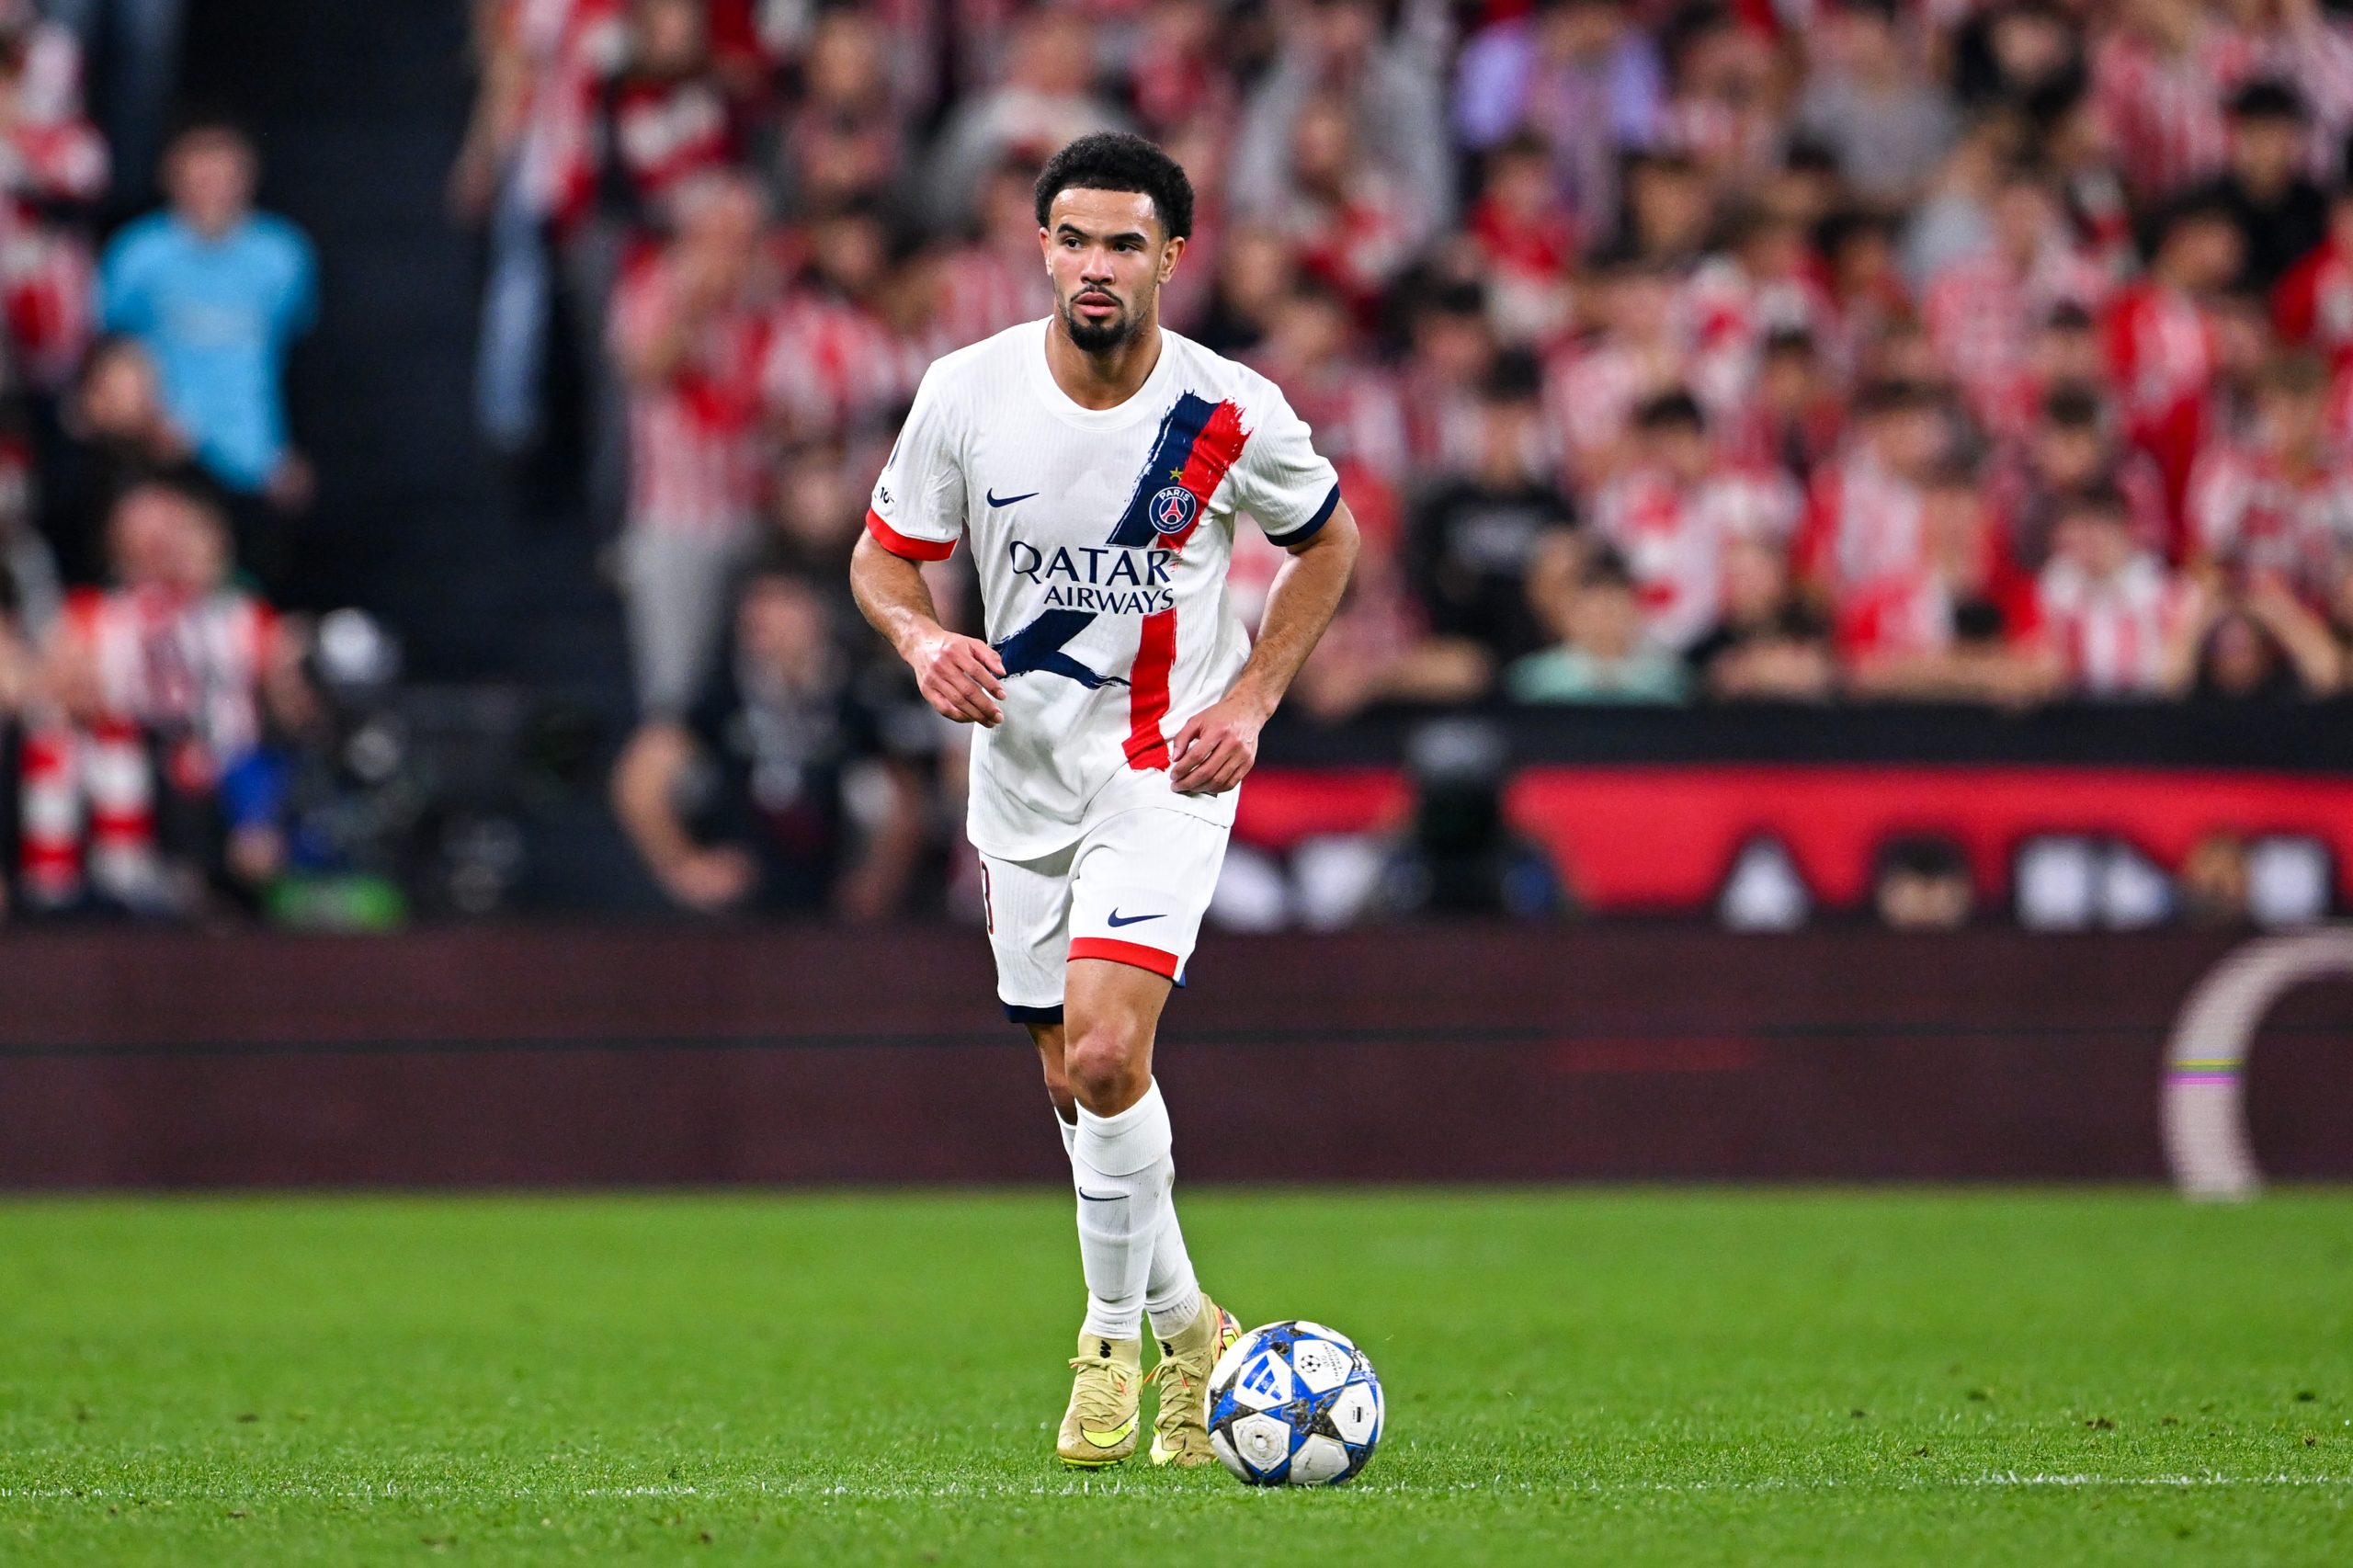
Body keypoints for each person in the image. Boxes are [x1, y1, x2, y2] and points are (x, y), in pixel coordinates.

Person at [847, 132, 1359, 1469]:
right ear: (1041, 249)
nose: (1095, 265)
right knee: (1081, 1100)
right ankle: (1196, 1326)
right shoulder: (967, 394)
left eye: (1123, 243)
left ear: (1172, 258)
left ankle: (1111, 1346)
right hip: (1021, 778)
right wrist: (920, 642)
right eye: (1073, 239)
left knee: (1104, 1055)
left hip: (1161, 770)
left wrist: (1247, 701)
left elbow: (1329, 541)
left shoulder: (1228, 410)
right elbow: (882, 560)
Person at [97, 121, 318, 581]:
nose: (212, 187)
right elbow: (107, 356)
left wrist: (289, 450)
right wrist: (142, 426)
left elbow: (299, 362)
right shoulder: (137, 256)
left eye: (223, 173)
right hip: (166, 458)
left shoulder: (282, 256)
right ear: (172, 178)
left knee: (247, 601)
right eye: (198, 174)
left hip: (253, 465)